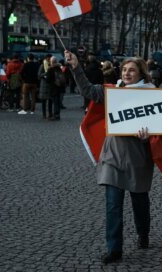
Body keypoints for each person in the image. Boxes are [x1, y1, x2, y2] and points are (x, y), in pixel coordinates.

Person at [65, 50, 155, 264]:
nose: (126, 73)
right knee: (113, 204)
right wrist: (76, 66)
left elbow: (161, 129)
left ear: (141, 73)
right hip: (112, 156)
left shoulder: (152, 96)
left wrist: (147, 136)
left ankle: (143, 233)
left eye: (132, 70)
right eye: (124, 69)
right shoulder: (111, 92)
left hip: (138, 158)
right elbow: (87, 89)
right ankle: (114, 248)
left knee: (139, 201)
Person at [46, 56, 65, 121]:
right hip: (58, 87)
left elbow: (48, 80)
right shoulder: (59, 68)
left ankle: (51, 115)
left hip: (52, 88)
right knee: (57, 102)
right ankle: (57, 115)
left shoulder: (50, 69)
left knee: (51, 102)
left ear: (51, 62)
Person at [38, 54, 53, 120]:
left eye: (50, 58)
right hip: (44, 85)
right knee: (43, 101)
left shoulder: (52, 65)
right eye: (48, 58)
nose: (49, 59)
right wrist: (45, 74)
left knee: (50, 101)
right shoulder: (42, 65)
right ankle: (44, 114)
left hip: (50, 85)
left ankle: (50, 114)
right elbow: (39, 75)